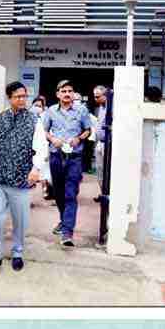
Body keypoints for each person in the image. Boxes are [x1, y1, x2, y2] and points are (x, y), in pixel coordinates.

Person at [0, 81, 42, 276]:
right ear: (9, 98)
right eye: (18, 97)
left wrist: (36, 169)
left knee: (20, 220)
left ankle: (17, 253)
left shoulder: (34, 120)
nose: (22, 99)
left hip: (21, 179)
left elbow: (41, 147)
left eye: (24, 96)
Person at [43, 79, 94, 247]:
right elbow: (44, 131)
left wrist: (78, 138)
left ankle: (67, 233)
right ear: (58, 94)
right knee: (58, 193)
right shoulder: (50, 111)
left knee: (70, 194)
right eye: (63, 91)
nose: (67, 94)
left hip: (74, 158)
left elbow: (88, 130)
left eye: (70, 91)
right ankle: (63, 220)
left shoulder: (82, 111)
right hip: (56, 156)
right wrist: (53, 139)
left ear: (73, 94)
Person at [31, 96, 52, 200]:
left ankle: (45, 190)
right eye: (36, 105)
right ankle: (29, 196)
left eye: (40, 106)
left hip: (44, 147)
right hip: (33, 150)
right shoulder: (29, 117)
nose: (37, 108)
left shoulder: (46, 118)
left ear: (43, 108)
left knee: (44, 172)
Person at [92, 85, 108, 180]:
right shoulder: (100, 108)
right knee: (99, 169)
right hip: (100, 142)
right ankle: (102, 192)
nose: (95, 99)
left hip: (108, 143)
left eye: (97, 96)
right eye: (94, 96)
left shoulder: (111, 107)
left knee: (106, 169)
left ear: (105, 95)